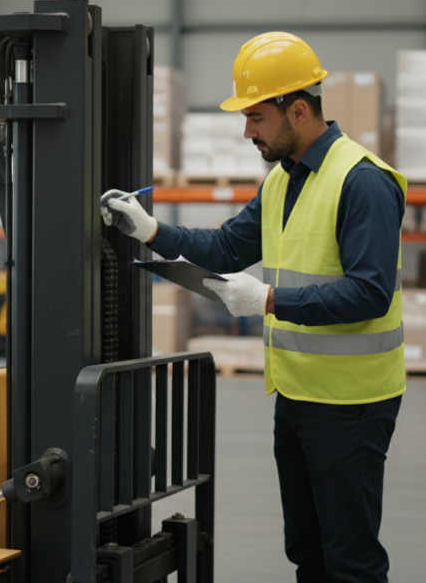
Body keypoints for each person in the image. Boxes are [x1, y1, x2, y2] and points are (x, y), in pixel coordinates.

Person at [102, 32, 407, 583]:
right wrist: (148, 230)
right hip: (295, 393)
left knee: (351, 558)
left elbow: (370, 292)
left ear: (297, 108)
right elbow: (224, 248)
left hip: (351, 402)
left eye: (257, 118)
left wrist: (268, 299)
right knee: (307, 550)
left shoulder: (362, 182)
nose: (248, 132)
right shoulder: (282, 181)